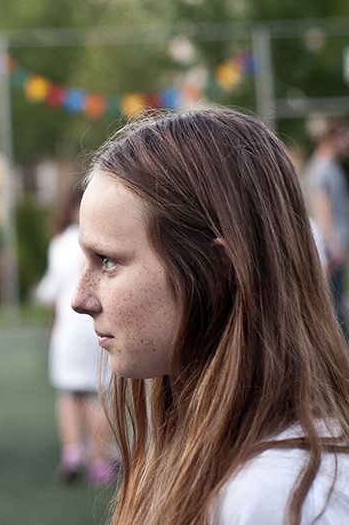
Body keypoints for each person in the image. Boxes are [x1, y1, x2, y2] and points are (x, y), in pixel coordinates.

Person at [72, 107, 349, 524]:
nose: (80, 297)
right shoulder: (216, 454)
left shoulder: (273, 497)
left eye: (107, 261)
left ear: (217, 269)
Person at [35, 182, 115, 485]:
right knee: (98, 395)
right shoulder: (103, 243)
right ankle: (99, 460)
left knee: (70, 393)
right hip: (98, 327)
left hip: (68, 328)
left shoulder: (61, 243)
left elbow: (50, 290)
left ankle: (72, 453)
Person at [304, 115, 349, 335]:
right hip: (331, 246)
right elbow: (322, 206)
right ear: (330, 137)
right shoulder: (321, 169)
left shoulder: (332, 167)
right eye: (342, 136)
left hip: (336, 243)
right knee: (333, 303)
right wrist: (332, 245)